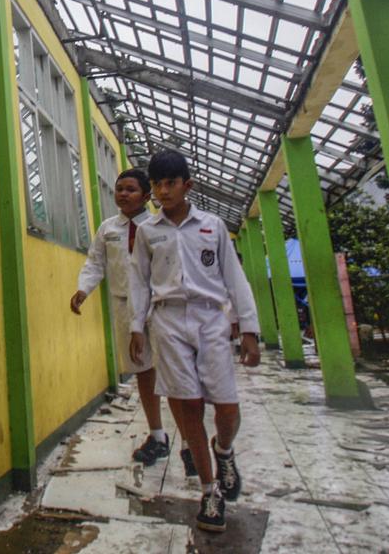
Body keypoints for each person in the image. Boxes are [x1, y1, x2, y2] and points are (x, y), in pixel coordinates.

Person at [128, 149, 261, 534]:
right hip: (167, 321)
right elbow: (139, 281)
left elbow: (234, 277)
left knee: (227, 408)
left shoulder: (212, 226)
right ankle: (210, 491)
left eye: (170, 183)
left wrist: (248, 328)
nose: (162, 191)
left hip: (210, 319)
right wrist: (137, 326)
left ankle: (225, 450)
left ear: (188, 185)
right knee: (188, 409)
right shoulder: (148, 232)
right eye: (156, 184)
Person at [70, 168, 169, 464]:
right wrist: (83, 290)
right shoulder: (108, 229)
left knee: (173, 367)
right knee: (142, 370)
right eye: (119, 189)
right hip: (124, 307)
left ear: (146, 195)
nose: (123, 194)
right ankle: (158, 435)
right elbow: (95, 263)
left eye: (130, 189)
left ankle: (189, 441)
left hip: (159, 307)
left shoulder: (157, 227)